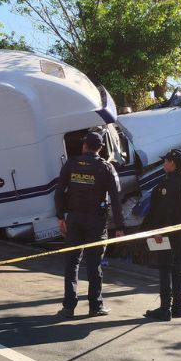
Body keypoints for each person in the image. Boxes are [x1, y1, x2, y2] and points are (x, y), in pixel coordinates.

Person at [55, 131, 125, 319]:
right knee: (94, 265)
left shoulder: (71, 164)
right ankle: (95, 306)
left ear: (84, 145)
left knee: (71, 263)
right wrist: (119, 226)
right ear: (101, 148)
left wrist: (60, 217)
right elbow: (116, 199)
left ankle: (68, 307)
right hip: (96, 221)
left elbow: (60, 191)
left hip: (74, 219)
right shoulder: (107, 167)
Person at [142, 149, 181, 321]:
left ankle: (165, 309)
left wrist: (157, 231)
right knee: (177, 270)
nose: (163, 164)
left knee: (165, 269)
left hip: (167, 233)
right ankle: (178, 308)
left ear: (172, 162)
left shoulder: (168, 185)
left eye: (165, 161)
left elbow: (162, 211)